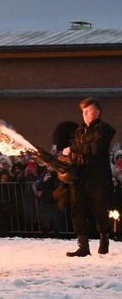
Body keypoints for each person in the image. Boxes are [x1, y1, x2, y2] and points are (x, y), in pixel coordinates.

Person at [63, 97, 116, 256]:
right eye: (83, 111)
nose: (84, 114)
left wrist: (72, 149)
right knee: (77, 209)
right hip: (79, 177)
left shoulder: (104, 129)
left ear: (97, 112)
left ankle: (104, 238)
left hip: (98, 178)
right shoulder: (79, 132)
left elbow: (95, 149)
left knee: (100, 210)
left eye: (88, 111)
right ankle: (83, 246)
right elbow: (76, 153)